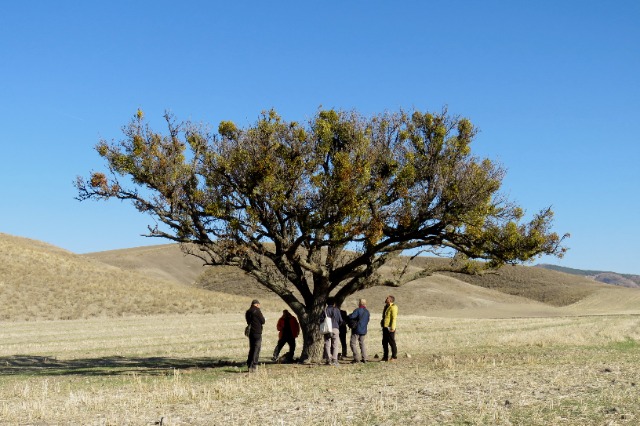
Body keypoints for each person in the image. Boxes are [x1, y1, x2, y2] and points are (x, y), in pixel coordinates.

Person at [320, 297, 343, 366]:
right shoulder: (337, 310)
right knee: (335, 344)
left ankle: (328, 359)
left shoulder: (325, 310)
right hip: (335, 328)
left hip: (327, 329)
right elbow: (341, 320)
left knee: (327, 344)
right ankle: (335, 359)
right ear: (334, 303)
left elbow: (321, 320)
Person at [245, 299, 265, 373]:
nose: (259, 306)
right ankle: (254, 366)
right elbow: (263, 321)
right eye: (259, 305)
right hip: (257, 332)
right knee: (257, 349)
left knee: (252, 348)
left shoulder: (248, 312)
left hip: (250, 332)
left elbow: (248, 321)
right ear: (256, 304)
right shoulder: (257, 311)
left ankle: (249, 365)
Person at [348, 298, 370, 363]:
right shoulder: (367, 311)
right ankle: (365, 358)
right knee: (362, 343)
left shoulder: (357, 310)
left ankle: (356, 358)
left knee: (353, 343)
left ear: (360, 303)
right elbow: (367, 320)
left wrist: (349, 316)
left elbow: (352, 316)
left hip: (356, 329)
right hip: (364, 329)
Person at [381, 295, 398, 362]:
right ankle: (385, 357)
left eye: (387, 298)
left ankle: (394, 356)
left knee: (391, 342)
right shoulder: (386, 306)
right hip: (385, 326)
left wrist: (392, 327)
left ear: (390, 300)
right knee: (384, 342)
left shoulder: (393, 307)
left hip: (390, 327)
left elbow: (394, 318)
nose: (386, 299)